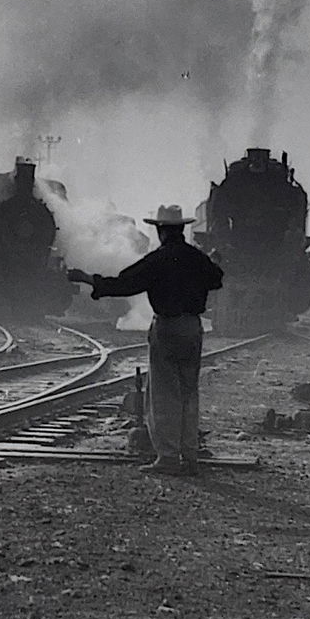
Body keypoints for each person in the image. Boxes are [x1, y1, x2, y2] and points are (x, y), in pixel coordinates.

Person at [67, 204, 223, 476]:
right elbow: (216, 278)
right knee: (189, 392)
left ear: (161, 230)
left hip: (168, 326)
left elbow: (123, 284)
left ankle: (168, 458)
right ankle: (190, 456)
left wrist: (89, 280)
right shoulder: (196, 257)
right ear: (182, 229)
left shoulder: (158, 259)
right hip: (193, 327)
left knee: (164, 393)